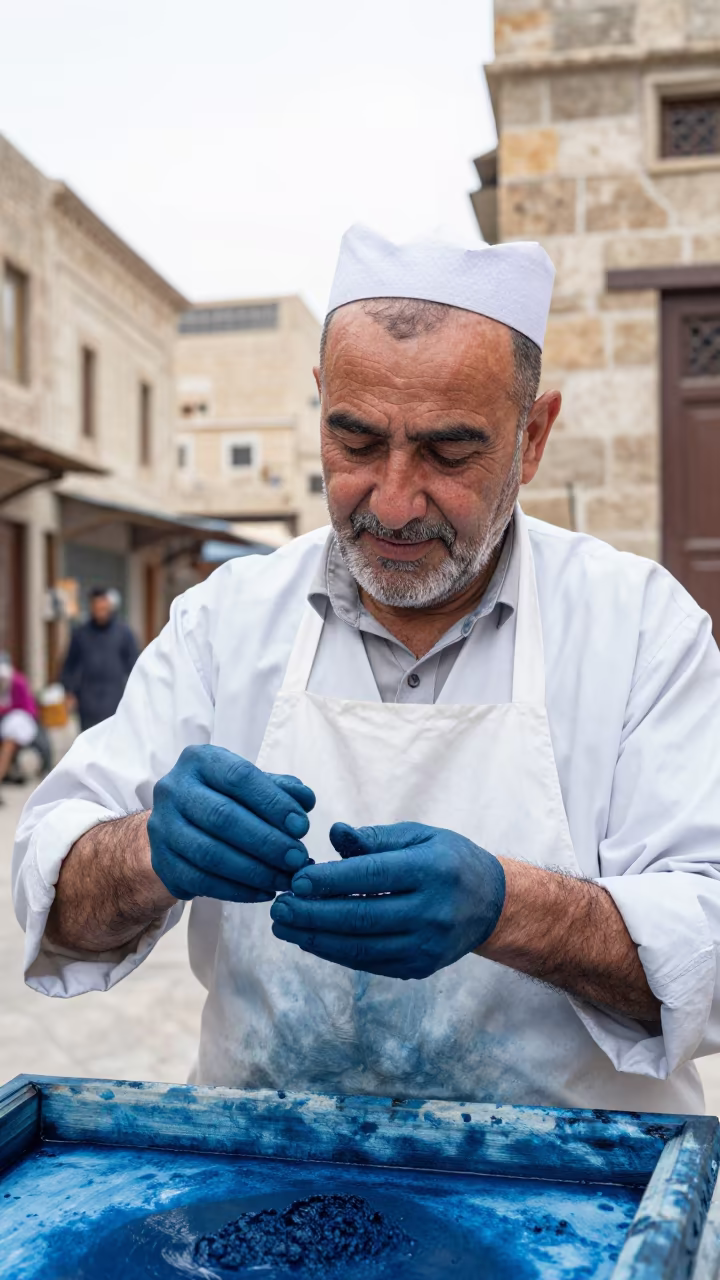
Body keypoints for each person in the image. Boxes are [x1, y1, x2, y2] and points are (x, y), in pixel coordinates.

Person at [12, 226, 720, 1115]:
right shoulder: (225, 621)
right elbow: (55, 895)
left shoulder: (641, 630)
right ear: (320, 407)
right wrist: (150, 847)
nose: (391, 500)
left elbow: (711, 946)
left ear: (533, 438)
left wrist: (510, 908)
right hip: (263, 1180)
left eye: (448, 452)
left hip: (568, 1202)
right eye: (355, 442)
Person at [59, 587, 139, 731]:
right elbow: (69, 664)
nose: (100, 612)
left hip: (115, 697)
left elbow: (134, 664)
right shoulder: (81, 633)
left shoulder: (123, 633)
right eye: (97, 608)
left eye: (103, 607)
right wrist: (69, 691)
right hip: (87, 699)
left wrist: (134, 694)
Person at [0, 654, 39, 804]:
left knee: (8, 746)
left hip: (19, 724)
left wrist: (5, 710)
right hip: (5, 723)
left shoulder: (18, 682)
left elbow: (28, 708)